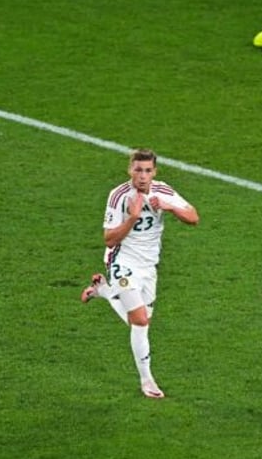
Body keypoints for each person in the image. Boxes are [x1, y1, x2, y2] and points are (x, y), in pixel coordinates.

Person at [80, 148, 200, 397]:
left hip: (148, 267)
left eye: (147, 171)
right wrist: (132, 218)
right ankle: (147, 381)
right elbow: (109, 239)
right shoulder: (119, 196)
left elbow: (193, 217)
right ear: (130, 170)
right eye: (138, 170)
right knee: (140, 321)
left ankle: (103, 290)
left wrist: (169, 207)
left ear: (154, 172)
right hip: (122, 262)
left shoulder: (163, 190)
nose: (142, 176)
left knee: (141, 322)